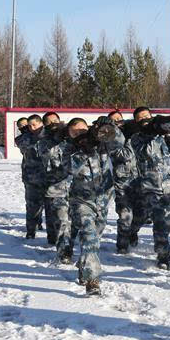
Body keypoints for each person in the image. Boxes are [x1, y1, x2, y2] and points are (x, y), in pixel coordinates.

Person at [58, 117, 126, 295]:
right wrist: (83, 151)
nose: (79, 134)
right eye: (75, 132)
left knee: (95, 236)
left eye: (82, 130)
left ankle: (84, 267)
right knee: (89, 236)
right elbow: (69, 169)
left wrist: (110, 127)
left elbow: (119, 143)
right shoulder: (67, 148)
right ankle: (92, 280)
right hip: (81, 200)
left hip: (103, 198)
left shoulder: (101, 143)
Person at [130, 108, 170, 268]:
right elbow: (146, 152)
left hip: (168, 187)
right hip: (148, 188)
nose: (145, 119)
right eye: (141, 118)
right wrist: (152, 135)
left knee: (165, 223)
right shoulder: (137, 139)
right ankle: (134, 233)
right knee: (141, 218)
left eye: (147, 116)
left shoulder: (162, 135)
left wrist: (167, 134)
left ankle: (162, 253)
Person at [39, 112, 76, 263]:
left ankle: (68, 244)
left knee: (73, 222)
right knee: (62, 221)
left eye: (56, 120)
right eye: (50, 122)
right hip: (57, 188)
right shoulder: (44, 142)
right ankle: (64, 252)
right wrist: (56, 139)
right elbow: (47, 156)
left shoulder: (70, 138)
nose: (54, 123)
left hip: (75, 187)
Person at [107, 109, 141, 254]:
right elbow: (125, 155)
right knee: (125, 215)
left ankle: (133, 233)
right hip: (122, 183)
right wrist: (129, 138)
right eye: (114, 120)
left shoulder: (133, 134)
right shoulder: (110, 139)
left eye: (119, 118)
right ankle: (122, 244)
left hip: (139, 181)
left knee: (140, 214)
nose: (117, 122)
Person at [15, 114, 48, 239]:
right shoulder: (25, 138)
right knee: (32, 205)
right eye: (27, 126)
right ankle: (31, 231)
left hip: (50, 177)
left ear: (41, 123)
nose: (31, 128)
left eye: (34, 125)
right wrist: (27, 134)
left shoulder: (49, 135)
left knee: (50, 207)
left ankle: (51, 234)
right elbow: (21, 145)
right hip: (32, 177)